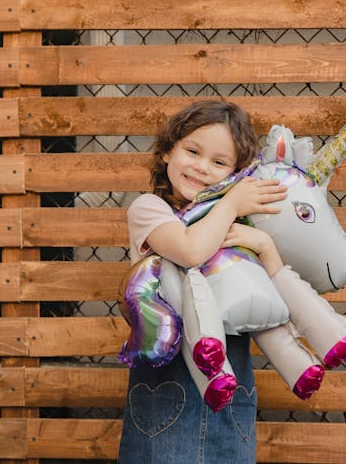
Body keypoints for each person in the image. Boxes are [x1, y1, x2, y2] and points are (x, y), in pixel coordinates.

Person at [118, 100, 288, 463]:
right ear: (167, 152)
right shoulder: (150, 209)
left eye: (219, 162)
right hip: (167, 391)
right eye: (192, 151)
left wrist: (263, 243)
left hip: (231, 391)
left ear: (236, 174)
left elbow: (279, 298)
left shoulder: (244, 228)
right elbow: (190, 250)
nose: (201, 167)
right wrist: (229, 206)